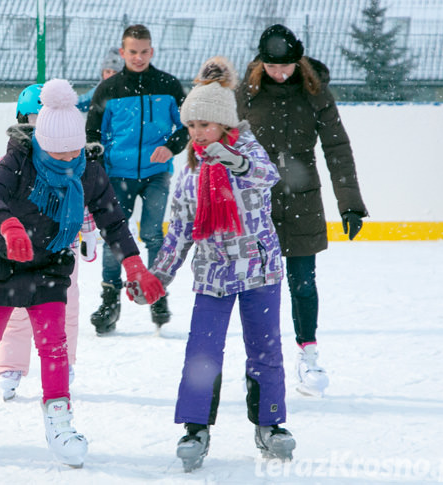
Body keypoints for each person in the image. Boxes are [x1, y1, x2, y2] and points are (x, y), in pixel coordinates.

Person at [0, 79, 165, 467]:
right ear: (41, 141)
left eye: (74, 153)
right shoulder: (19, 157)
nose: (68, 162)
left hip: (50, 264)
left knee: (54, 346)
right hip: (1, 262)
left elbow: (113, 221)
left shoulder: (89, 167)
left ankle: (59, 419)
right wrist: (9, 224)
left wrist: (133, 263)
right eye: (58, 153)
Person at [130, 56, 295, 472]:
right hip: (213, 273)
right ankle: (195, 426)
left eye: (204, 125)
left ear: (224, 123)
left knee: (265, 349)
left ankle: (270, 423)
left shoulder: (247, 149)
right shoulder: (188, 171)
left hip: (260, 270)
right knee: (202, 353)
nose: (197, 133)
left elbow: (268, 175)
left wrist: (231, 160)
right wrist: (158, 277)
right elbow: (181, 230)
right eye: (191, 126)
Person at [236, 24, 369, 397]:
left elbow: (337, 149)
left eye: (287, 67)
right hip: (255, 199)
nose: (280, 74)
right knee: (259, 285)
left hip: (302, 198)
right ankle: (263, 358)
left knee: (303, 282)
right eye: (273, 67)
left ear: (299, 62)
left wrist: (351, 205)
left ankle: (307, 352)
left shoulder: (315, 93)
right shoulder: (245, 93)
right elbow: (224, 142)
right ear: (262, 63)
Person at [0, 83, 99, 401]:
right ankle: (11, 365)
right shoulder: (14, 159)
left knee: (66, 304)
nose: (40, 124)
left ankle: (62, 360)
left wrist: (89, 231)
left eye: (45, 117)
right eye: (33, 117)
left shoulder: (71, 156)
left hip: (61, 246)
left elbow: (82, 196)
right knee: (16, 306)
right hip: (20, 248)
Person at [86, 24, 188, 335]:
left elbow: (188, 126)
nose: (139, 57)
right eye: (133, 52)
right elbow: (93, 134)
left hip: (157, 174)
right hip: (118, 175)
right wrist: (101, 169)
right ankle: (109, 300)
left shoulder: (168, 85)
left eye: (144, 51)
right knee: (114, 236)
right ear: (122, 52)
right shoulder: (108, 89)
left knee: (155, 235)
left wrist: (170, 147)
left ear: (152, 51)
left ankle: (157, 294)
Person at [76, 47, 123, 112]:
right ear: (102, 74)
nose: (111, 75)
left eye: (115, 72)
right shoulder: (98, 91)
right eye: (108, 72)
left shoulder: (126, 91)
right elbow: (82, 102)